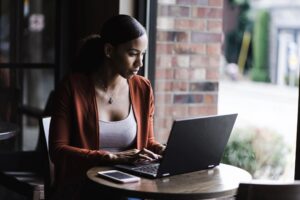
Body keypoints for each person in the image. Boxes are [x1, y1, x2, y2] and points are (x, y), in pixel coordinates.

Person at [49, 14, 166, 200]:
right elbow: (58, 150)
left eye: (142, 54)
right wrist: (110, 157)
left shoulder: (143, 88)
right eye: (132, 54)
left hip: (130, 184)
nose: (140, 63)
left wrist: (165, 150)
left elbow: (148, 141)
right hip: (84, 186)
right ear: (109, 50)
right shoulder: (72, 88)